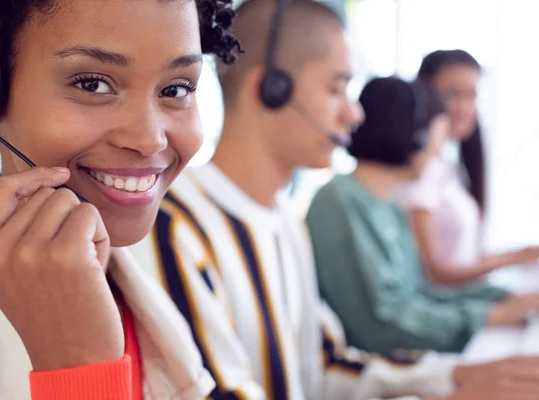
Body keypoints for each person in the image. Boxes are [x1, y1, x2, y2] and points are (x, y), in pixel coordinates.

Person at [130, 2, 539, 399]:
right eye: (337, 88)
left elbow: (328, 366)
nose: (355, 113)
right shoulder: (174, 225)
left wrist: (462, 374)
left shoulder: (286, 221)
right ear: (271, 89)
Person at [0, 0, 240, 398]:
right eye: (93, 84)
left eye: (176, 89)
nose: (150, 138)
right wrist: (80, 372)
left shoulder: (146, 297)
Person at [307, 77, 539, 355]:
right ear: (414, 136)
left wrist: (501, 298)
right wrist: (491, 316)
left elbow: (419, 296)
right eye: (437, 140)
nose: (437, 153)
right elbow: (381, 327)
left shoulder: (387, 205)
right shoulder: (339, 203)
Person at [397, 50, 539, 285]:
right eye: (452, 94)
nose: (464, 107)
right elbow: (434, 272)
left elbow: (461, 258)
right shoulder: (421, 173)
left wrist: (520, 256)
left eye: (472, 95)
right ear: (424, 95)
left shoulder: (447, 170)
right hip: (446, 309)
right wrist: (514, 258)